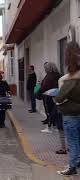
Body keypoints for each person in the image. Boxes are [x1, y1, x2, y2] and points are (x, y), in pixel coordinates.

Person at [55, 41, 80, 176]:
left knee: (73, 141)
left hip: (71, 113)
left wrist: (57, 100)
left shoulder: (69, 79)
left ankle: (72, 167)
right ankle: (77, 161)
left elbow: (60, 97)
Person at [40, 62, 61, 132]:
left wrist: (40, 90)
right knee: (54, 111)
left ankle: (49, 128)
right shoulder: (58, 75)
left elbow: (45, 86)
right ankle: (55, 126)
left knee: (49, 112)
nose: (45, 69)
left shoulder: (49, 76)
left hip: (49, 96)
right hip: (57, 95)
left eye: (46, 68)